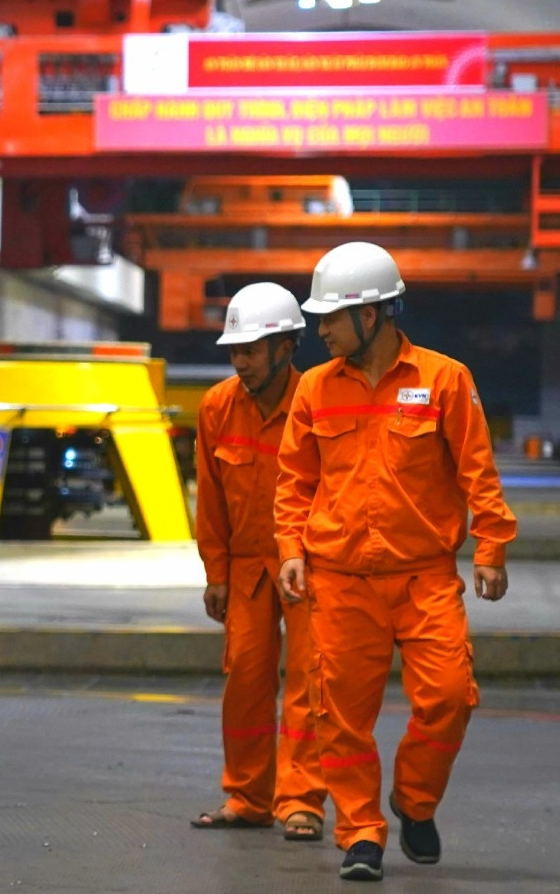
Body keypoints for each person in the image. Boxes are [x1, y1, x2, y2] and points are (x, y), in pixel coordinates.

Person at [274, 242, 518, 883]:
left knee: (448, 699)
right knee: (340, 716)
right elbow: (293, 484)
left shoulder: (444, 380)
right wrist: (291, 550)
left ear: (373, 315)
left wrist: (491, 545)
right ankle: (360, 834)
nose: (318, 329)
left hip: (424, 579)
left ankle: (414, 801)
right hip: (339, 580)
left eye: (329, 318)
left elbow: (477, 472)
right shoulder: (313, 390)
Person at [188, 283, 327, 842]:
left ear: (287, 347)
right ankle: (247, 796)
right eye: (234, 351)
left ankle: (300, 801)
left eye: (250, 351)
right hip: (245, 569)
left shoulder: (316, 402)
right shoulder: (218, 406)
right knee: (245, 677)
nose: (239, 362)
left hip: (309, 566)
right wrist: (215, 573)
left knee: (308, 683)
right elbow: (211, 499)